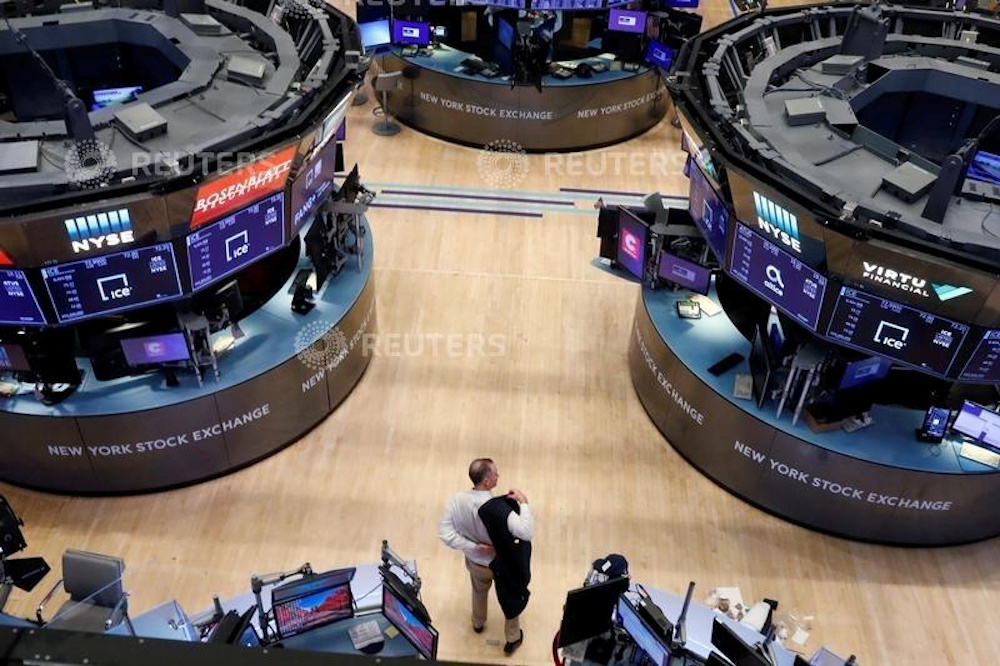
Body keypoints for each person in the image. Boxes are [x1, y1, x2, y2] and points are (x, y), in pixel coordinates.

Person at [439, 458, 535, 655]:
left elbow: (445, 533)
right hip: (502, 565)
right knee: (511, 598)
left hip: (475, 563)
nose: (498, 476)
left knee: (479, 591)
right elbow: (526, 531)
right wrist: (523, 502)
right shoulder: (499, 509)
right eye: (495, 474)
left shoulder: (456, 500)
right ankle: (512, 638)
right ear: (486, 481)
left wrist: (473, 547)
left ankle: (478, 623)